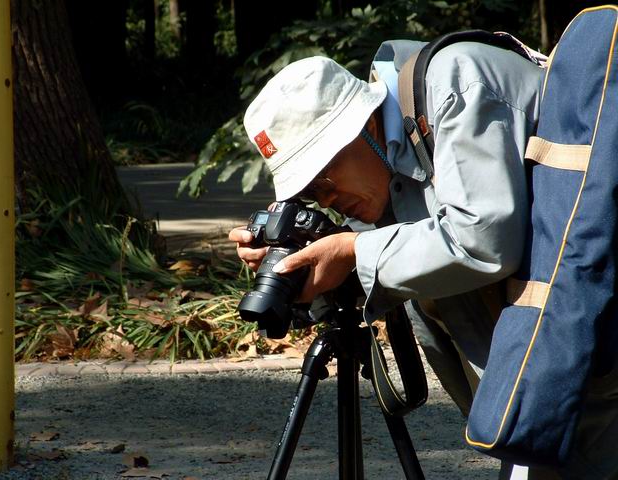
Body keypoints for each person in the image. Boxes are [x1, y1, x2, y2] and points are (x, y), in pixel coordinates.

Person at [228, 40, 618, 480]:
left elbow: (483, 238)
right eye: (311, 195)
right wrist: (300, 267)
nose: (328, 200)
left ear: (360, 127)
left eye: (323, 181)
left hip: (589, 349)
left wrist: (353, 251)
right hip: (543, 369)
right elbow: (409, 254)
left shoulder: (456, 84)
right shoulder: (391, 166)